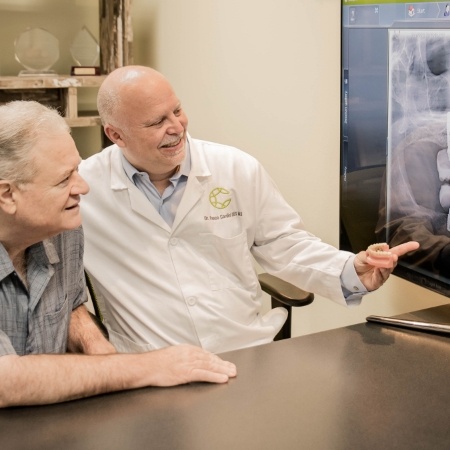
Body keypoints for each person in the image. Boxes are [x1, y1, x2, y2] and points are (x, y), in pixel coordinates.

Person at [79, 65, 419, 354]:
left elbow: (283, 243)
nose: (177, 127)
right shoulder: (82, 190)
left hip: (242, 351)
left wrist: (350, 270)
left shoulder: (235, 168)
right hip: (149, 366)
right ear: (116, 135)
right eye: (156, 122)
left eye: (177, 110)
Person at [0, 100, 237, 408]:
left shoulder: (63, 227)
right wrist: (148, 366)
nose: (82, 188)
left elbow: (70, 307)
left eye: (77, 170)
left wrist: (95, 345)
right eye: (64, 180)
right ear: (7, 195)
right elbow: (5, 381)